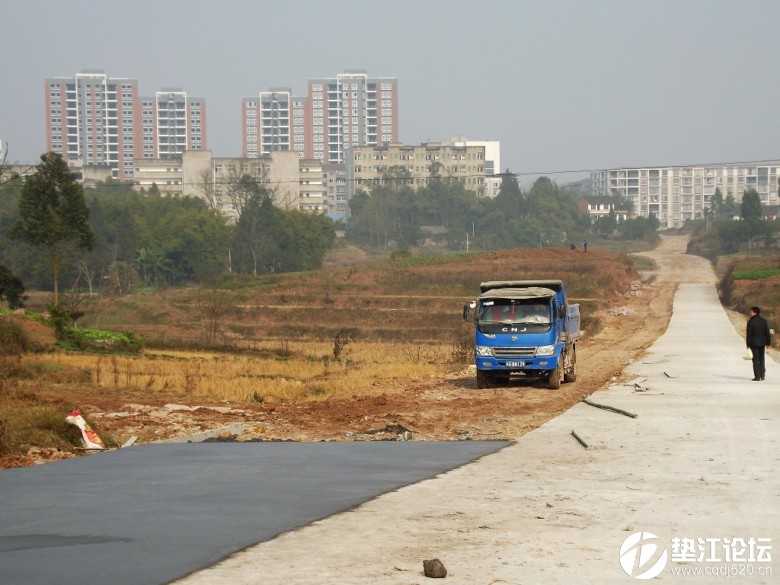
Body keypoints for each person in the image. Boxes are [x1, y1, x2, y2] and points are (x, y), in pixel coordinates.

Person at [746, 306, 772, 381]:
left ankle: (757, 376)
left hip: (754, 344)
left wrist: (748, 344)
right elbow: (767, 333)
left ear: (755, 312)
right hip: (762, 343)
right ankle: (762, 375)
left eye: (751, 311)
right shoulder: (763, 321)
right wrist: (768, 343)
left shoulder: (751, 322)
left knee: (755, 360)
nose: (750, 313)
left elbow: (749, 334)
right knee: (762, 358)